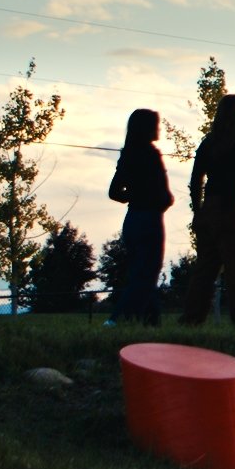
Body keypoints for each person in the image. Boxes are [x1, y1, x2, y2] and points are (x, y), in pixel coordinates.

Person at [182, 93, 235, 326]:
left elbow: (196, 179)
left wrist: (198, 210)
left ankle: (192, 318)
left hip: (210, 208)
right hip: (232, 208)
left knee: (205, 266)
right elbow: (234, 173)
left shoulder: (207, 144)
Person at [105, 108, 173, 326]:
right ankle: (116, 320)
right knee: (146, 275)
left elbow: (114, 192)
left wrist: (134, 195)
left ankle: (153, 324)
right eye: (155, 124)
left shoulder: (128, 154)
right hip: (150, 220)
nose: (158, 129)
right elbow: (163, 194)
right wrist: (156, 199)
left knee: (142, 272)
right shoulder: (151, 155)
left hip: (132, 219)